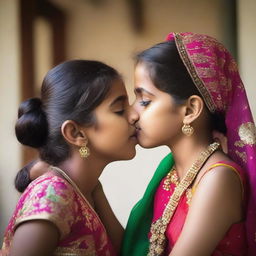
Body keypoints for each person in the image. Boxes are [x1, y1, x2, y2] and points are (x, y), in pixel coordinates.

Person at [122, 32, 256, 255]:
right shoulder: (174, 172)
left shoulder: (217, 178)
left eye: (145, 101)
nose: (132, 114)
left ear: (190, 110)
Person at [1, 60, 138, 256]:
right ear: (76, 133)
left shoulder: (87, 188)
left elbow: (126, 252)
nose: (134, 115)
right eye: (119, 110)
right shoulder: (53, 196)